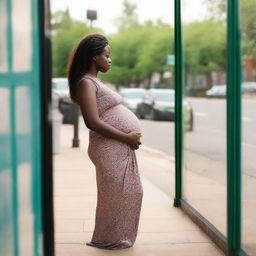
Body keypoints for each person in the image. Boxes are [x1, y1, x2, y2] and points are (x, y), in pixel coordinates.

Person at [66, 33, 144, 250]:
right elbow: (92, 121)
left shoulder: (94, 82)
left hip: (117, 147)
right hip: (107, 147)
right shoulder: (85, 83)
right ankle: (109, 239)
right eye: (106, 55)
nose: (110, 60)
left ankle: (115, 237)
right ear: (94, 57)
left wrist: (127, 139)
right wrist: (126, 137)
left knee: (126, 192)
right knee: (121, 193)